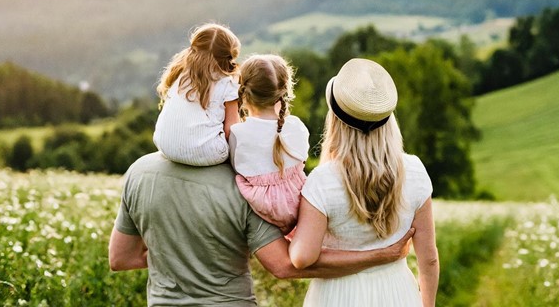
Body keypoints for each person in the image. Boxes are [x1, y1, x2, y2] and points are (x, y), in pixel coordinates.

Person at [108, 151, 417, 306]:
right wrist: (379, 255)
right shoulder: (244, 183)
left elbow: (120, 258)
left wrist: (174, 252)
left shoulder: (139, 172)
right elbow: (284, 266)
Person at [289, 58, 439, 307]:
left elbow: (302, 258)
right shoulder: (414, 170)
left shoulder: (323, 182)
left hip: (336, 297)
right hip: (398, 294)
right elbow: (429, 260)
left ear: (335, 121)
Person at [230, 54, 309, 235]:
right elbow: (302, 160)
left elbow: (236, 168)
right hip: (297, 200)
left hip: (264, 206)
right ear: (284, 91)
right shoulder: (296, 125)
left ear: (243, 92)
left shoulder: (237, 133)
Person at [153, 23, 241, 166]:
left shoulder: (180, 72)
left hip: (164, 145)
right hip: (208, 153)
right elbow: (231, 129)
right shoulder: (227, 83)